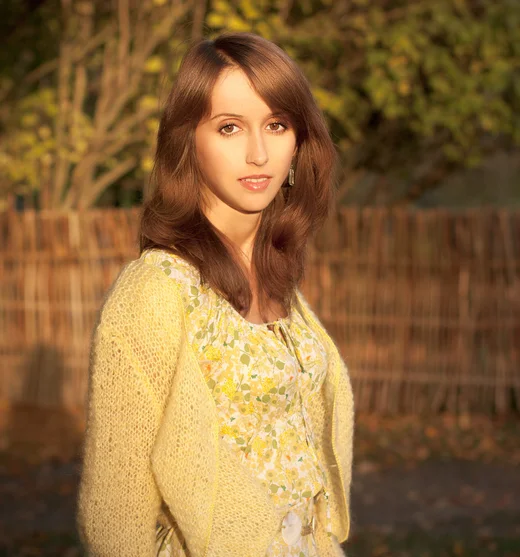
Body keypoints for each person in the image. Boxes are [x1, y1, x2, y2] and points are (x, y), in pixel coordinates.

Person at [76, 31, 354, 557]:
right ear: (188, 142)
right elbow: (115, 511)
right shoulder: (156, 292)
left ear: (298, 142)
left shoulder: (283, 288)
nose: (257, 152)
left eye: (277, 125)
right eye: (229, 127)